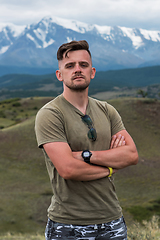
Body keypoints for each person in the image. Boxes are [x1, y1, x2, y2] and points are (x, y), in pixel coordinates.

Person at [35, 40, 138, 240]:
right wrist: (110, 166)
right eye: (70, 66)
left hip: (112, 220)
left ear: (92, 71)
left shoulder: (107, 111)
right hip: (68, 224)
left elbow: (132, 155)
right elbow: (68, 169)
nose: (77, 70)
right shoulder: (50, 114)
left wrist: (85, 155)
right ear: (59, 75)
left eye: (83, 65)